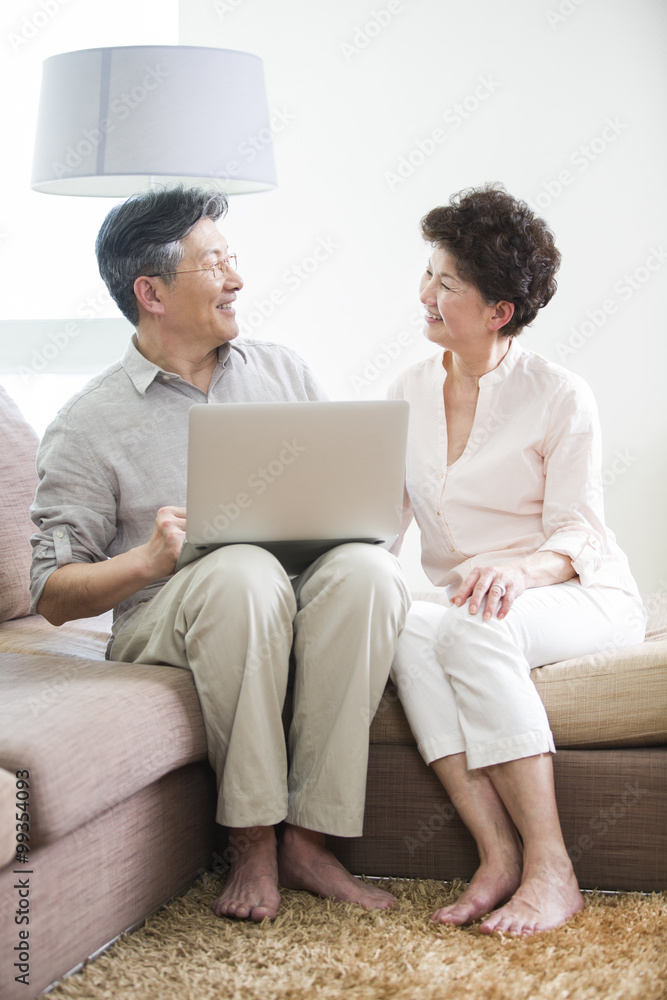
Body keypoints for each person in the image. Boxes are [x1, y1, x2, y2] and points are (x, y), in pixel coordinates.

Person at [30, 185, 410, 923]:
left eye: (232, 259)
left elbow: (343, 499)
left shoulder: (282, 372)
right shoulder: (86, 423)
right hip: (165, 617)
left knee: (368, 573)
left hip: (293, 589)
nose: (236, 279)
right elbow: (51, 593)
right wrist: (146, 560)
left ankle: (306, 838)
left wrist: (369, 514)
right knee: (239, 572)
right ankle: (250, 842)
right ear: (152, 292)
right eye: (214, 264)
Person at [388, 184, 646, 936]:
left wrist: (516, 571)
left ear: (498, 312)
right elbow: (382, 531)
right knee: (405, 626)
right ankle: (496, 854)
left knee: (469, 625)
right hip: (483, 602)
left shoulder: (559, 395)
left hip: (578, 593)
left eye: (447, 283)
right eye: (428, 272)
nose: (426, 294)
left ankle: (551, 868)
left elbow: (577, 533)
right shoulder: (405, 392)